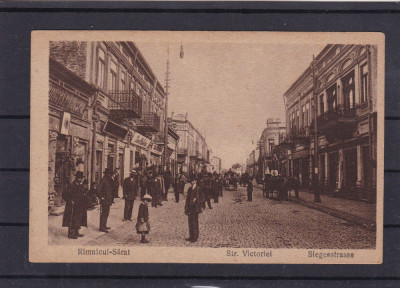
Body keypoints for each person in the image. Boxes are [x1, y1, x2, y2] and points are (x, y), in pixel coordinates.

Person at [62, 171, 88, 239]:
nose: (81, 180)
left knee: (78, 219)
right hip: (73, 206)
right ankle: (71, 234)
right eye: (80, 178)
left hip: (79, 206)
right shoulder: (71, 185)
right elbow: (64, 194)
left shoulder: (81, 185)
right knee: (72, 220)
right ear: (77, 178)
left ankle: (77, 232)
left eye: (82, 178)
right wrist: (70, 201)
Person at [184, 177, 204, 243]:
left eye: (193, 181)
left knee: (195, 222)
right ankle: (191, 236)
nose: (192, 183)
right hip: (190, 207)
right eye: (191, 182)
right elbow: (187, 199)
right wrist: (186, 207)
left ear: (195, 181)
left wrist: (197, 200)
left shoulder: (199, 189)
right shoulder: (190, 189)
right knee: (190, 222)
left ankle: (195, 237)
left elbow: (202, 198)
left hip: (195, 208)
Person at [97, 168, 114, 232]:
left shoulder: (109, 180)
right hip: (104, 200)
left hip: (108, 199)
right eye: (109, 174)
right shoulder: (103, 180)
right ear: (106, 174)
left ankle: (104, 225)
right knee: (103, 213)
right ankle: (102, 227)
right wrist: (101, 197)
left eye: (111, 174)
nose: (110, 175)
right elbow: (98, 189)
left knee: (106, 213)